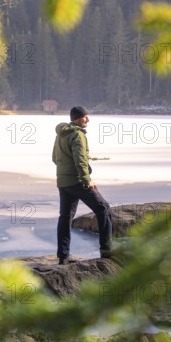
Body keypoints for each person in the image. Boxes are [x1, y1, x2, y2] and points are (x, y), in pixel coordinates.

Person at [52, 105, 113, 264]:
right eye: (86, 117)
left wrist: (84, 159)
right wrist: (86, 180)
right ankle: (107, 252)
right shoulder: (78, 135)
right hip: (77, 181)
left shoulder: (61, 134)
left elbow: (55, 158)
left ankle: (63, 257)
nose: (88, 119)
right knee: (103, 209)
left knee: (65, 217)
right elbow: (79, 160)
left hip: (63, 181)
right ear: (79, 118)